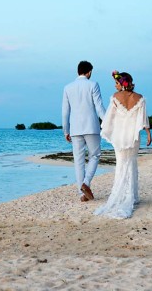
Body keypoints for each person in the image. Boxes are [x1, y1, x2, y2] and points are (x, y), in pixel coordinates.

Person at [94, 70, 152, 219]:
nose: (115, 86)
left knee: (121, 164)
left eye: (116, 83)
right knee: (131, 163)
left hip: (119, 135)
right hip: (133, 136)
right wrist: (149, 134)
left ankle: (126, 196)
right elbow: (143, 119)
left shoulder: (115, 97)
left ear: (122, 84)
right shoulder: (140, 98)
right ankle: (131, 196)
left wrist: (108, 131)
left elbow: (109, 118)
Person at [62, 61, 107, 202]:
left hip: (75, 128)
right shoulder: (93, 84)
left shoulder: (68, 87)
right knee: (95, 155)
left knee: (78, 161)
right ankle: (86, 184)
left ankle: (81, 194)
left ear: (78, 71)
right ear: (89, 72)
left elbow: (65, 112)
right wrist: (107, 123)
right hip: (91, 126)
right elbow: (99, 108)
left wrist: (66, 130)